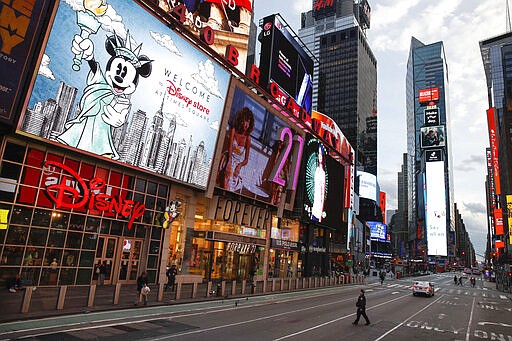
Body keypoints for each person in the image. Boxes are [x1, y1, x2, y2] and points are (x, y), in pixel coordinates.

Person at [218, 107, 255, 192]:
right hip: (228, 158)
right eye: (245, 121)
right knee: (226, 180)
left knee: (234, 184)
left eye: (248, 122)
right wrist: (229, 161)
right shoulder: (234, 131)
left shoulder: (248, 138)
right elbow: (230, 147)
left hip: (237, 164)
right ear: (242, 120)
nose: (246, 124)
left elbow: (246, 160)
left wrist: (239, 165)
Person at [311, 144, 326, 222]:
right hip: (315, 197)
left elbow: (322, 192)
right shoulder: (317, 170)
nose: (320, 156)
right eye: (319, 154)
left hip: (319, 200)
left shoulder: (323, 172)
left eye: (321, 154)